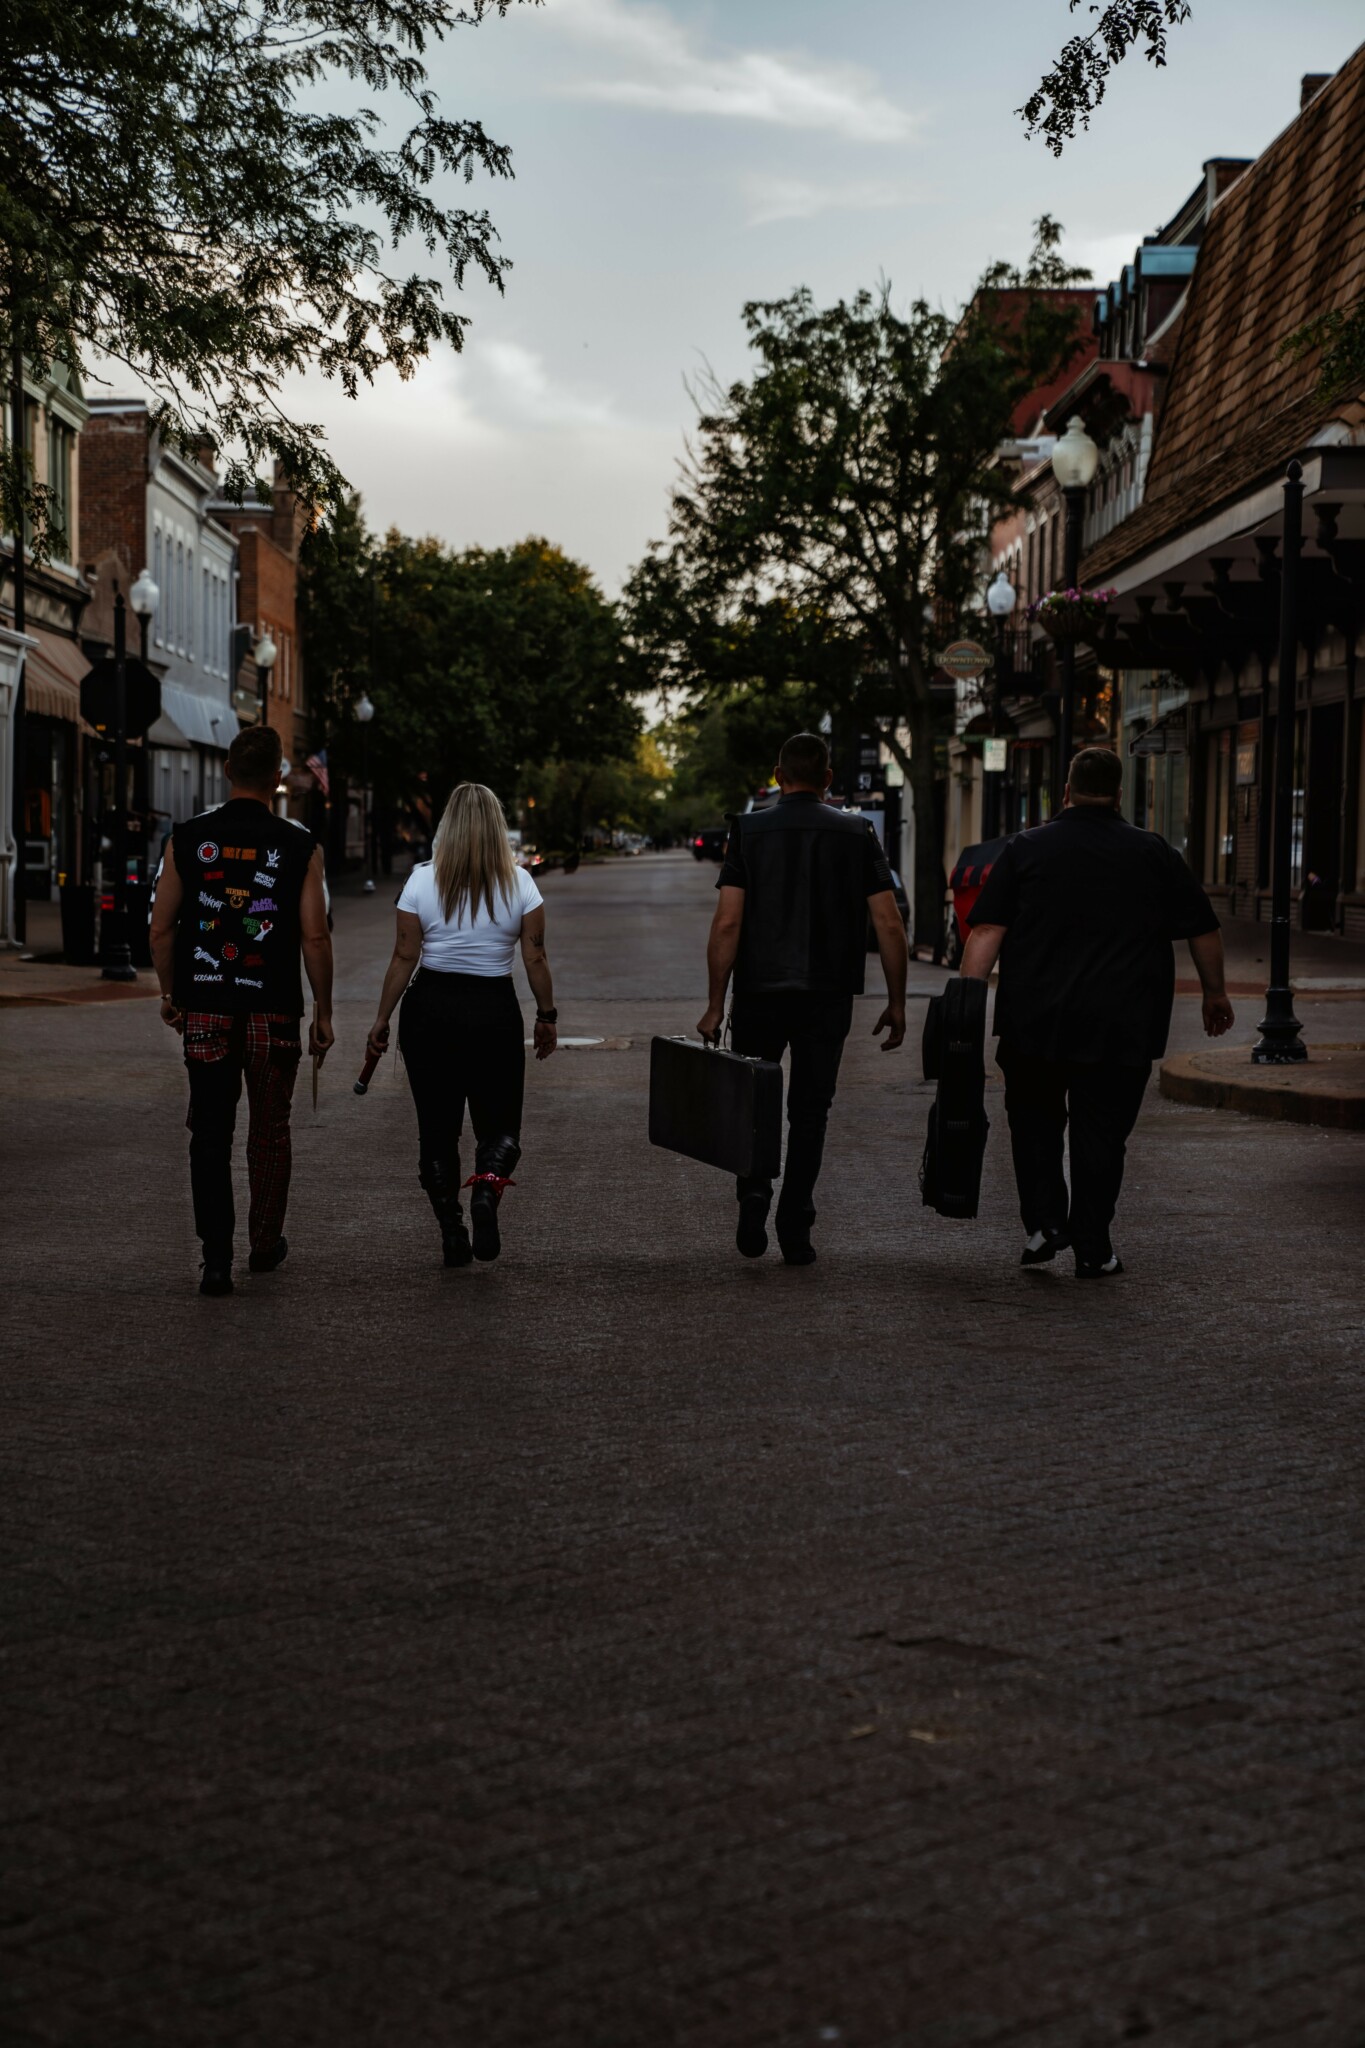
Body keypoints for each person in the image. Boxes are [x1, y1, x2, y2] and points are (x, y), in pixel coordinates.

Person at [960, 744, 1233, 1279]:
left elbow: (988, 930)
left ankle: (1044, 1225)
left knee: (1034, 1126)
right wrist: (1215, 993)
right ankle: (1092, 1245)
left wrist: (967, 1002)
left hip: (1034, 1021)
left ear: (1066, 791)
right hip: (1122, 1023)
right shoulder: (1153, 852)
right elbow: (1203, 928)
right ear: (1119, 793)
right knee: (1102, 1135)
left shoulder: (1026, 848)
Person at [698, 731, 909, 1266]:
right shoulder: (858, 833)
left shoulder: (748, 831)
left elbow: (727, 923)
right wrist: (897, 1001)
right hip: (827, 995)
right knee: (811, 1111)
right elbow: (888, 923)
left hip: (760, 991)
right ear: (828, 779)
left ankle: (754, 1192)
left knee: (755, 1100)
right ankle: (796, 1224)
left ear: (778, 776)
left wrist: (716, 1003)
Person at [149, 724, 334, 1296]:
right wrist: (323, 1011)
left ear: (228, 770)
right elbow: (315, 937)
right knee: (269, 1132)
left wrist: (170, 992)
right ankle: (264, 1242)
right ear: (278, 778)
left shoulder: (186, 839)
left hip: (206, 1005)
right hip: (272, 1012)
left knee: (210, 1131)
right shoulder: (301, 847)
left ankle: (215, 1259)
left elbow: (161, 929)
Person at [367, 783, 557, 1268]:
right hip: (493, 1011)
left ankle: (451, 1230)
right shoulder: (520, 883)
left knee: (437, 1129)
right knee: (500, 1126)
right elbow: (535, 958)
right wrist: (546, 1015)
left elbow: (404, 956)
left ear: (447, 826)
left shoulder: (419, 881)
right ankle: (486, 1194)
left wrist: (382, 1018)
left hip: (429, 1010)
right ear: (496, 827)